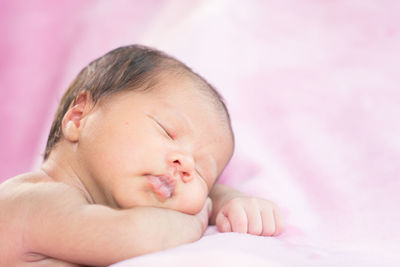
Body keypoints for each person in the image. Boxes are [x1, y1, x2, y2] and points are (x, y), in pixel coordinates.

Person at [0, 45, 284, 266]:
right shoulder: (33, 201)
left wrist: (229, 201)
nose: (185, 164)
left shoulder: (96, 212)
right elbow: (138, 235)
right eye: (167, 131)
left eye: (201, 173)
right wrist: (200, 216)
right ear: (78, 117)